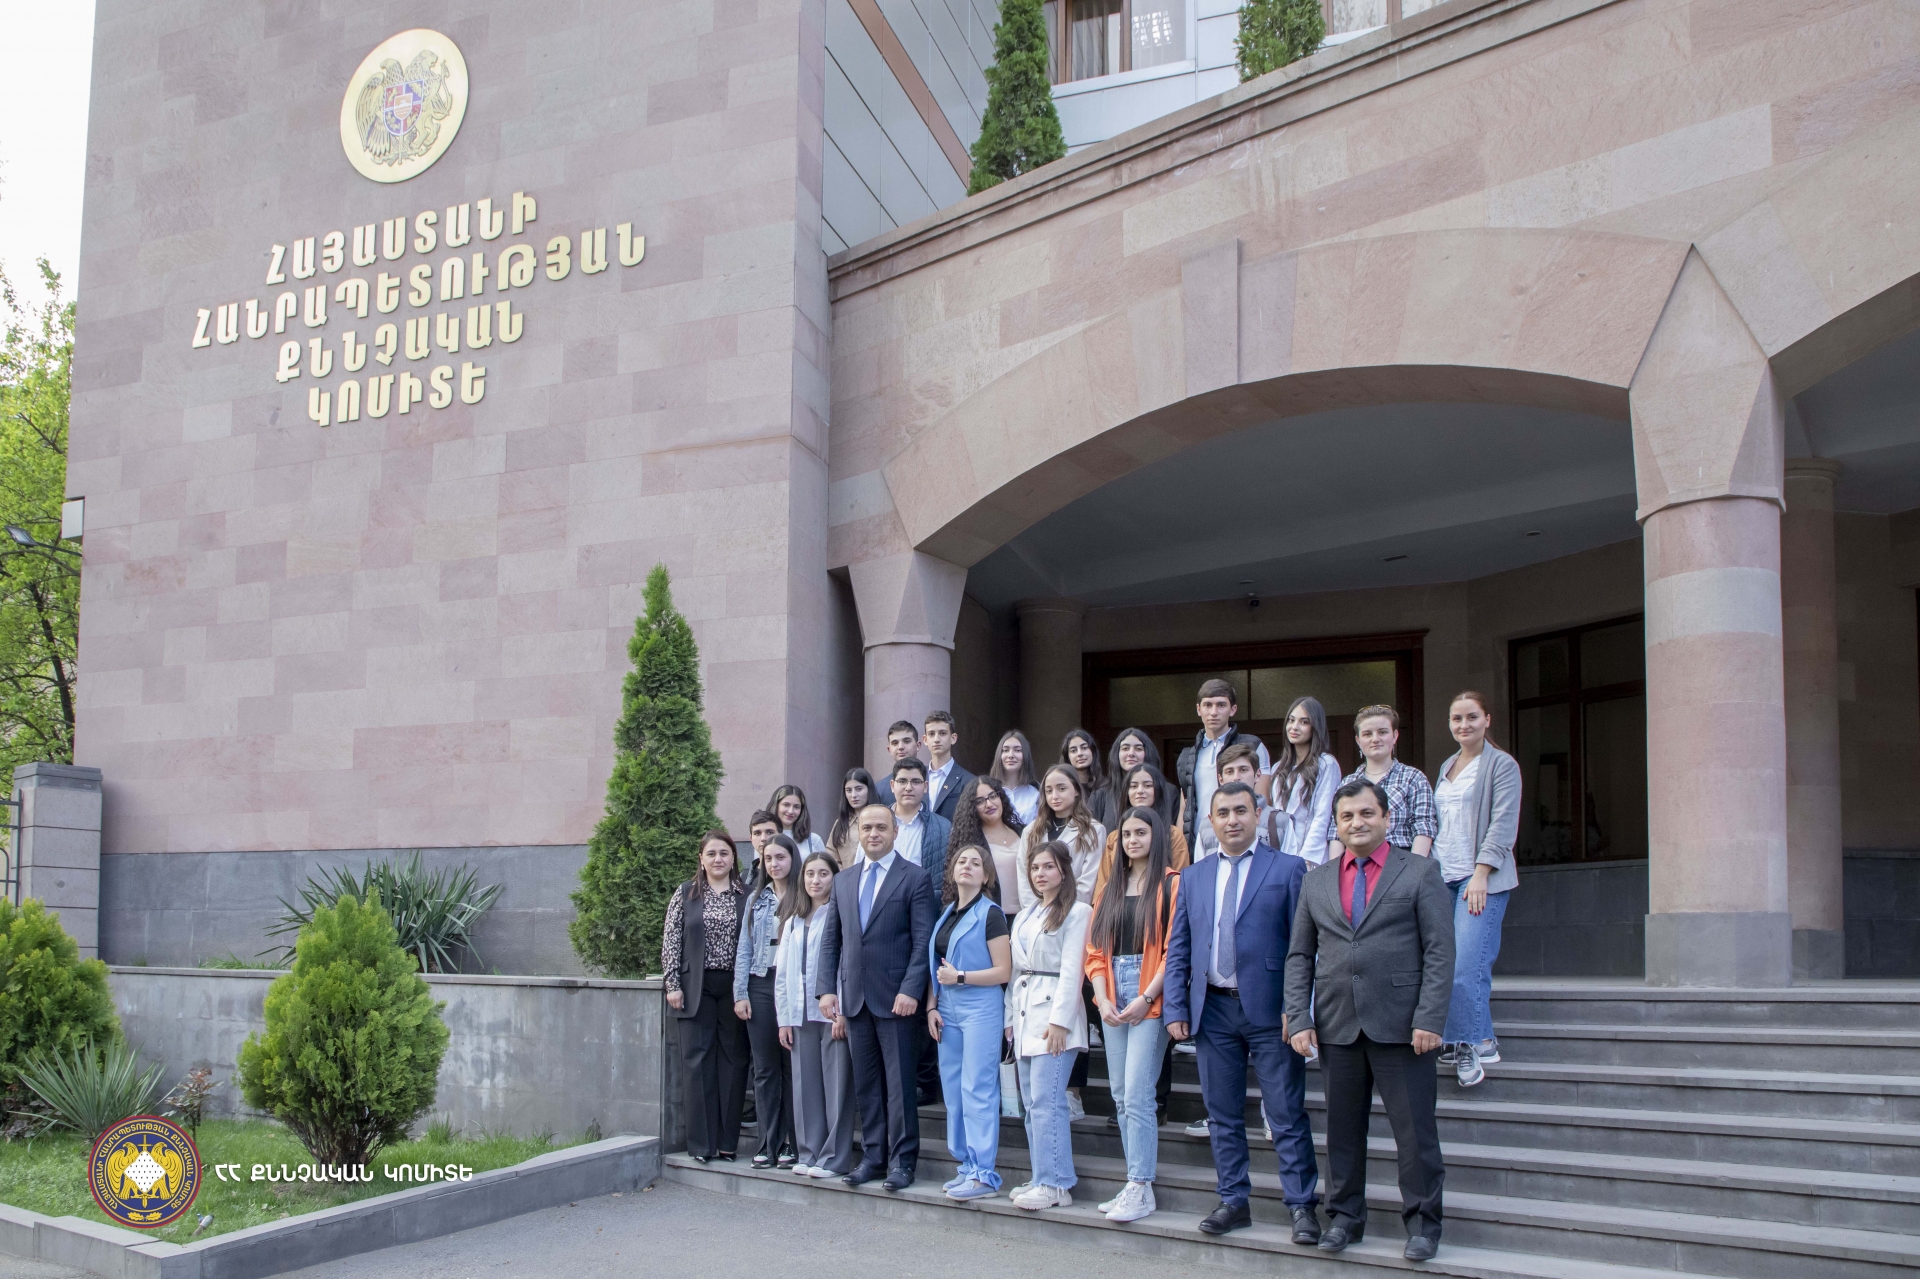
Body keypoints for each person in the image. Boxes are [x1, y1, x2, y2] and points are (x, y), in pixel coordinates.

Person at [1287, 779, 1454, 1261]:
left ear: (1385, 818)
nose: (1356, 823)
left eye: (1365, 814)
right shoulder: (1316, 880)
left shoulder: (1419, 871)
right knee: (1341, 1132)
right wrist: (1298, 1017)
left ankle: (1423, 1225)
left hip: (1404, 1027)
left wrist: (1430, 1017)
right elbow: (1299, 955)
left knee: (1415, 1133)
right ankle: (1344, 1218)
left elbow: (1440, 950)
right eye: (1347, 817)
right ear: (1336, 826)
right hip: (1337, 1023)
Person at [1161, 782, 1319, 1242]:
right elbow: (1180, 947)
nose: (1232, 820)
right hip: (1213, 1010)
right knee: (1222, 1113)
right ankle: (1233, 1200)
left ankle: (1302, 1206)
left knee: (1286, 1114)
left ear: (1257, 815)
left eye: (1241, 811)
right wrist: (1176, 1006)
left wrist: (1297, 1009)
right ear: (1210, 821)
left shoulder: (1288, 868)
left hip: (1272, 1013)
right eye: (1223, 813)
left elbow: (1303, 946)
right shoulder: (1193, 876)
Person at [817, 805, 937, 1191]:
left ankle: (903, 1162)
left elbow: (923, 941)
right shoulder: (843, 880)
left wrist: (911, 989)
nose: (873, 834)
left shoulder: (915, 878)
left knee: (900, 1085)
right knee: (867, 1084)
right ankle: (873, 1157)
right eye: (866, 827)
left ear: (895, 832)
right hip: (855, 999)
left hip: (896, 999)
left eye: (881, 827)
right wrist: (826, 989)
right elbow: (831, 940)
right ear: (858, 833)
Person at [1083, 806, 1180, 1223]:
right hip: (1112, 993)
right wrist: (1102, 999)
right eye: (1126, 835)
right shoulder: (1110, 889)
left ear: (1155, 836)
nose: (1133, 840)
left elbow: (1175, 950)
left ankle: (1140, 1184)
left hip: (1150, 996)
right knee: (1121, 1095)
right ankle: (1134, 1183)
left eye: (1141, 833)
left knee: (1139, 1094)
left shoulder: (1172, 884)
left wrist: (1147, 996)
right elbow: (1094, 952)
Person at [1433, 690, 1521, 1088]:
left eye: (1472, 717)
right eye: (1457, 718)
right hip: (1445, 877)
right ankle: (1483, 1040)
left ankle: (1463, 1043)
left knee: (1466, 965)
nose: (1464, 725)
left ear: (1487, 719)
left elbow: (1503, 824)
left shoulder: (1501, 764)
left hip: (1480, 879)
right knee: (1459, 964)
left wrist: (1482, 873)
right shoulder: (1447, 765)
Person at [1004, 840, 1091, 1211]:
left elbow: (1073, 971)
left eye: (1048, 866)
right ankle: (1042, 1174)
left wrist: (1060, 1022)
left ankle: (1056, 1184)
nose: (1041, 874)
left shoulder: (1078, 911)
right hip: (1025, 1015)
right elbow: (1016, 971)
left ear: (1063, 870)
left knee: (1048, 1102)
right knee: (1031, 1104)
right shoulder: (1026, 914)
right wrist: (1010, 1019)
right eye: (1035, 867)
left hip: (1054, 1017)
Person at [927, 845, 1012, 1201]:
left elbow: (1003, 971)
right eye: (962, 861)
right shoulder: (947, 913)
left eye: (976, 863)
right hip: (947, 1008)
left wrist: (961, 977)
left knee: (978, 1087)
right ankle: (966, 1164)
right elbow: (936, 965)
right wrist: (931, 1006)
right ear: (952, 871)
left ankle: (984, 1173)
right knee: (953, 1088)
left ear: (986, 876)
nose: (967, 866)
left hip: (980, 1007)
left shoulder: (991, 914)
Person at [662, 830, 749, 1164]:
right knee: (697, 1064)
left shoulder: (747, 895)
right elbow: (671, 939)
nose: (718, 859)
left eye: (724, 853)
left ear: (733, 858)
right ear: (701, 859)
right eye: (711, 853)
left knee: (733, 1062)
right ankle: (702, 1144)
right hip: (693, 986)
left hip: (734, 989)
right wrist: (672, 983)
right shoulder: (686, 893)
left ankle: (727, 1143)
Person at [777, 849, 855, 1178]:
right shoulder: (793, 920)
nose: (816, 880)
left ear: (835, 877)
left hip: (832, 1012)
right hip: (800, 1012)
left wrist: (843, 1012)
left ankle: (834, 1158)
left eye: (823, 873)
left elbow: (847, 965)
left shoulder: (841, 915)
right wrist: (784, 1019)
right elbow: (782, 973)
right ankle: (809, 1153)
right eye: (810, 874)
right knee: (805, 1085)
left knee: (836, 1087)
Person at [734, 832, 799, 1168]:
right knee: (764, 1069)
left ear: (792, 859)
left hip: (794, 987)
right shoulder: (756, 899)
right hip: (760, 983)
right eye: (769, 859)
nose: (774, 864)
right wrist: (740, 993)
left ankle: (791, 1143)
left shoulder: (804, 895)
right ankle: (766, 1142)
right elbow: (744, 948)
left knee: (791, 1067)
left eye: (780, 857)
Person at [1176, 679, 1269, 858]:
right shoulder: (1187, 756)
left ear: (1233, 709)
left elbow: (1262, 801)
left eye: (1221, 705)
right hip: (1200, 845)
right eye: (1208, 705)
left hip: (1243, 841)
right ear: (1198, 709)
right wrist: (1181, 853)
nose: (1213, 712)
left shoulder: (1253, 746)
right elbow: (1184, 809)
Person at [1341, 704, 1436, 859]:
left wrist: (1413, 870)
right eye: (1367, 734)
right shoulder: (1347, 783)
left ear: (1395, 735)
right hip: (1358, 862)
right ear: (1358, 740)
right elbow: (1336, 832)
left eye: (1382, 732)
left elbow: (1423, 827)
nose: (1375, 739)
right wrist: (1336, 871)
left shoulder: (1413, 778)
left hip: (1402, 859)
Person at [1016, 764, 1107, 909]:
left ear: (1076, 790)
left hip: (1074, 911)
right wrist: (1037, 911)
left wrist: (1062, 911)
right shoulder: (1030, 831)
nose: (1054, 796)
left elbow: (1088, 882)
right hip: (1036, 913)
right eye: (1049, 791)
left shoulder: (1093, 830)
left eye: (1061, 789)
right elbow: (1023, 876)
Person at [1265, 697, 1341, 866]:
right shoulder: (1278, 768)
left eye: (1304, 722)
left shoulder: (1326, 764)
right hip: (1280, 853)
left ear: (1315, 727)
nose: (1294, 727)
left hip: (1311, 856)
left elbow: (1323, 814)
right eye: (1291, 720)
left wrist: (1307, 858)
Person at [1094, 764, 1190, 896]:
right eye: (1133, 786)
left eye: (1147, 785)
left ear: (1158, 790)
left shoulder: (1173, 835)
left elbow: (1180, 888)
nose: (1140, 791)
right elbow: (1102, 891)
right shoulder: (1114, 838)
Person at [948, 775, 1027, 911]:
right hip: (992, 916)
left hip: (1028, 915)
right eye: (980, 801)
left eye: (993, 796)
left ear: (1001, 797)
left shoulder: (1023, 832)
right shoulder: (970, 841)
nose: (989, 804)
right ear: (972, 808)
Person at [1095, 728, 1159, 827]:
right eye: (1125, 748)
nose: (1131, 753)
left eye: (1138, 749)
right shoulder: (1100, 796)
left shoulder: (1169, 792)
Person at [922, 711, 976, 823]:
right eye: (931, 734)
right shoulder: (917, 778)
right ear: (925, 740)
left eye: (942, 733)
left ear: (953, 738)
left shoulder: (969, 781)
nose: (936, 739)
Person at [826, 768, 878, 869]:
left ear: (869, 789)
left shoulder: (882, 820)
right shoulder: (840, 823)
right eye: (849, 790)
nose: (853, 795)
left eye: (859, 789)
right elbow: (831, 856)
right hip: (846, 877)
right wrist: (843, 875)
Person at [989, 729, 1043, 825]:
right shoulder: (988, 792)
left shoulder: (1036, 795)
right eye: (1005, 750)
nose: (1010, 755)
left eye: (1017, 750)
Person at [872, 720, 921, 807]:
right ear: (889, 750)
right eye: (895, 743)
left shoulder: (933, 779)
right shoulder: (879, 789)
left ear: (918, 746)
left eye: (906, 741)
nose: (900, 747)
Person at [768, 784, 827, 856]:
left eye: (796, 807)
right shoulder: (764, 837)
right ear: (776, 805)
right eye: (786, 805)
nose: (791, 811)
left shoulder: (814, 840)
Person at [1060, 728, 1106, 809]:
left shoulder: (1106, 785)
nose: (1079, 754)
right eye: (1073, 750)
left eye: (1084, 748)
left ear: (1092, 752)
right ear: (1067, 757)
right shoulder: (1061, 787)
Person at [747, 809, 780, 876]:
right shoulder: (743, 877)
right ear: (751, 839)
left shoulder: (795, 875)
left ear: (781, 836)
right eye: (757, 833)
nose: (763, 838)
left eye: (769, 832)